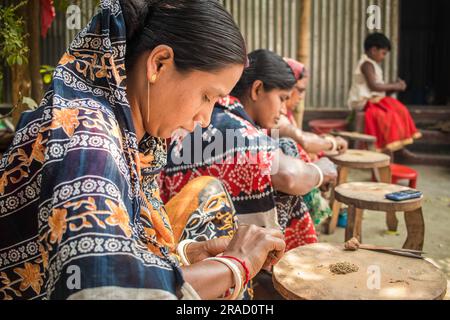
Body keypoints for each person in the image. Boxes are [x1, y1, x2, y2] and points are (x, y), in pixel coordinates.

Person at [0, 0, 286, 300]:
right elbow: (101, 287)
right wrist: (236, 265)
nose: (204, 119)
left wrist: (193, 253)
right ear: (158, 63)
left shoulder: (130, 137)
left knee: (211, 194)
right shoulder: (87, 139)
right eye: (206, 96)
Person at [161, 50, 338, 251]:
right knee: (288, 152)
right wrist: (320, 171)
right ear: (257, 89)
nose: (282, 109)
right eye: (282, 98)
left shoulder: (215, 116)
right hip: (189, 244)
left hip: (180, 227)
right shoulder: (229, 125)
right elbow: (290, 176)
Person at [275, 59, 348, 226]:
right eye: (298, 90)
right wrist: (332, 142)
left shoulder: (283, 115)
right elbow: (304, 141)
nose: (301, 97)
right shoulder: (275, 119)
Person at [348, 32, 422, 152]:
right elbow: (374, 87)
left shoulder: (373, 64)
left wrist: (394, 87)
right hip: (364, 102)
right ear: (373, 50)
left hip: (374, 100)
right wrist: (395, 85)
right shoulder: (366, 64)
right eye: (383, 53)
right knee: (388, 115)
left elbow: (379, 90)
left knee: (400, 110)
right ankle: (388, 147)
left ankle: (399, 146)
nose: (384, 57)